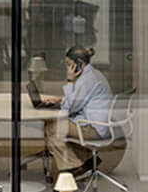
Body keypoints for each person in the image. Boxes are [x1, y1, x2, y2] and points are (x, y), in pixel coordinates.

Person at [42, 44, 114, 177]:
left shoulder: (86, 80)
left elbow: (69, 108)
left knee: (53, 126)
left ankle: (75, 167)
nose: (67, 68)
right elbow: (79, 100)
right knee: (57, 126)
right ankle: (86, 160)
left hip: (92, 129)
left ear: (78, 64)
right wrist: (59, 99)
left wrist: (70, 80)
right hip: (98, 126)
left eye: (69, 64)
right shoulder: (93, 74)